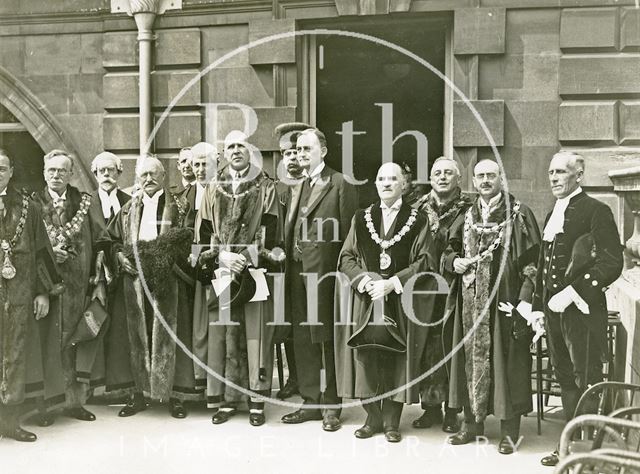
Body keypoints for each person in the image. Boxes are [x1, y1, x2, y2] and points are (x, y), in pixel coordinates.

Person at [444, 159, 541, 454]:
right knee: (470, 363)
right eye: (480, 176)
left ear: (501, 178)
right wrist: (453, 261)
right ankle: (472, 426)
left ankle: (509, 432)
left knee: (507, 364)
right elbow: (448, 250)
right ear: (473, 181)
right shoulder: (466, 214)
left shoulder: (519, 214)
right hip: (471, 304)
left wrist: (524, 301)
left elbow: (532, 265)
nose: (485, 180)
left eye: (491, 175)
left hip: (505, 302)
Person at [335, 162, 437, 443]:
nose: (386, 183)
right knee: (368, 354)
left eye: (393, 179)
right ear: (376, 184)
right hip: (367, 299)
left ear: (404, 184)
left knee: (396, 356)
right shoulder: (361, 217)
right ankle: (372, 417)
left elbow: (426, 260)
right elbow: (346, 257)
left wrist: (393, 283)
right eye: (381, 178)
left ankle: (392, 420)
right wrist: (364, 281)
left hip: (399, 299)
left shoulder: (417, 219)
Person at [535, 151, 623, 467]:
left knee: (587, 379)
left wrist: (574, 291)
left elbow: (612, 261)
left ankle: (589, 454)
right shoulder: (552, 214)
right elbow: (543, 265)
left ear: (579, 174)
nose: (554, 178)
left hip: (582, 311)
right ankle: (569, 448)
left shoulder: (596, 210)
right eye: (550, 172)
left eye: (561, 171)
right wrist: (537, 307)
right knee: (565, 379)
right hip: (553, 312)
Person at [195, 130, 282, 426]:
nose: (235, 151)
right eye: (230, 146)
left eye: (241, 146)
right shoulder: (212, 187)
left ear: (250, 151)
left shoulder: (265, 186)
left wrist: (245, 255)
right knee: (222, 335)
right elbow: (204, 232)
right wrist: (220, 257)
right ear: (224, 152)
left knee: (256, 336)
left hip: (253, 269)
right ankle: (228, 400)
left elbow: (271, 230)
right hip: (222, 270)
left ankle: (256, 402)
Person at [103, 156, 199, 419]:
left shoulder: (180, 205)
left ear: (164, 176)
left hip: (170, 277)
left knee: (173, 334)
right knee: (137, 335)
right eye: (144, 174)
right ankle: (138, 394)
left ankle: (176, 396)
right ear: (137, 177)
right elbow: (110, 240)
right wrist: (120, 257)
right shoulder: (127, 210)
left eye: (154, 174)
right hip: (135, 279)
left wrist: (167, 257)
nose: (148, 179)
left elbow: (191, 235)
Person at [281, 127, 358, 432]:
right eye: (298, 149)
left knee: (325, 339)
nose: (301, 154)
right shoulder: (296, 185)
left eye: (307, 149)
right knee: (302, 338)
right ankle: (311, 400)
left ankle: (331, 405)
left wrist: (341, 276)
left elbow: (349, 237)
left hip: (325, 276)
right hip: (296, 273)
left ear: (323, 151)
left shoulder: (340, 183)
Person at [36, 149, 106, 426]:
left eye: (62, 171)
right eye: (51, 170)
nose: (56, 175)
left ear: (70, 174)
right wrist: (52, 253)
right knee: (48, 342)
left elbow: (101, 239)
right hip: (47, 286)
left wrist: (96, 278)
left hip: (79, 287)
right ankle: (47, 404)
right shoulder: (33, 203)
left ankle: (75, 401)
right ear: (44, 173)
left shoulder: (85, 202)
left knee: (76, 341)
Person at [0, 149, 62, 442]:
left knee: (16, 354)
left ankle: (10, 422)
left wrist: (43, 293)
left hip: (21, 295)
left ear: (12, 171)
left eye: (2, 168)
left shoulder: (29, 208)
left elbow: (42, 254)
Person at [412, 157, 472, 433]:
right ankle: (431, 408)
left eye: (449, 173)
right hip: (425, 288)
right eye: (437, 173)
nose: (443, 177)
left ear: (459, 178)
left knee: (452, 347)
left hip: (456, 287)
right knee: (427, 348)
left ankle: (453, 409)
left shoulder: (470, 209)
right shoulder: (417, 208)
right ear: (430, 177)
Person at [273, 121, 310, 400]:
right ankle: (294, 377)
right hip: (279, 266)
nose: (293, 158)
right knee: (285, 324)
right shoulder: (275, 189)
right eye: (288, 153)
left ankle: (312, 379)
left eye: (298, 151)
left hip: (305, 267)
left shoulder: (317, 185)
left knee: (308, 323)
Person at [178, 142, 218, 230]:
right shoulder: (185, 196)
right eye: (196, 165)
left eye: (205, 164)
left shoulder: (225, 192)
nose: (200, 170)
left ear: (216, 165)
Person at [89, 151, 130, 227]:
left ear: (119, 173)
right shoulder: (85, 203)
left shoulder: (130, 202)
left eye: (111, 169)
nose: (106, 174)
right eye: (102, 170)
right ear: (96, 175)